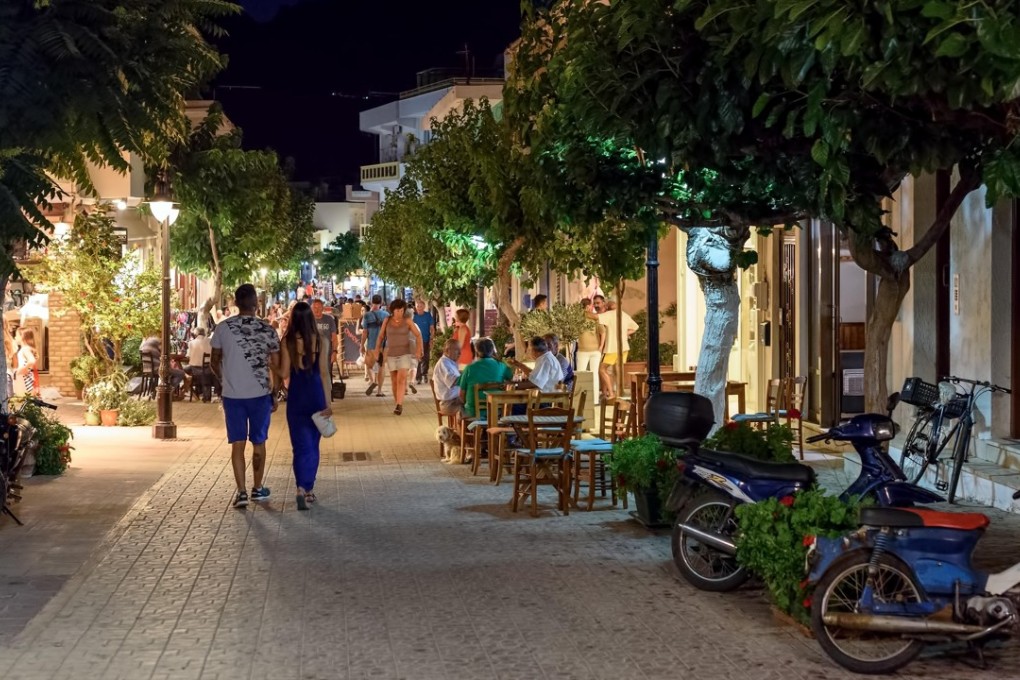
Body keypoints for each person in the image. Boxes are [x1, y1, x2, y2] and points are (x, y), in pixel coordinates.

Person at [211, 283, 281, 509]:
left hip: (232, 396)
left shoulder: (223, 328)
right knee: (259, 442)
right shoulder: (267, 329)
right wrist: (276, 390)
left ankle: (241, 492)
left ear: (236, 304)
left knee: (237, 444)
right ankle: (257, 488)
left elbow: (214, 361)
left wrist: (225, 381)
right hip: (260, 394)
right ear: (256, 304)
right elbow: (276, 364)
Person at [278, 301, 332, 511]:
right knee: (313, 445)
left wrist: (272, 364)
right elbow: (325, 373)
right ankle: (308, 488)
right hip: (316, 394)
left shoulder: (287, 341)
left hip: (297, 396)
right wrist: (328, 402)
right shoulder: (321, 341)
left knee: (299, 446)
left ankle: (300, 488)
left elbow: (284, 374)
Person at [375, 299, 423, 415]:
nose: (400, 313)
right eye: (397, 310)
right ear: (392, 310)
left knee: (401, 379)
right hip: (392, 354)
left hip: (405, 354)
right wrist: (377, 350)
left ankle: (399, 404)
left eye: (402, 310)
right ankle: (397, 402)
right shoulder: (387, 321)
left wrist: (418, 350)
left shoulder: (408, 321)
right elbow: (381, 336)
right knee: (394, 380)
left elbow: (418, 335)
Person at [591, 294, 638, 400]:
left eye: (607, 303)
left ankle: (611, 394)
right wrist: (624, 334)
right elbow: (635, 327)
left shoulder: (609, 314)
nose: (607, 305)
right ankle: (614, 393)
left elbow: (594, 317)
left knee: (602, 370)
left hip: (611, 348)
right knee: (615, 371)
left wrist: (582, 311)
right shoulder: (623, 314)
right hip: (623, 347)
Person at [457, 337, 513, 418]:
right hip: (496, 410)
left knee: (458, 409)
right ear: (492, 350)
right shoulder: (502, 366)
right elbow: (512, 379)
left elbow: (462, 395)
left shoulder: (470, 368)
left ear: (476, 351)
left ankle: (465, 429)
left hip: (473, 411)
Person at [576, 298, 605, 402]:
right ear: (588, 306)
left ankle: (581, 400)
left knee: (580, 375)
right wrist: (600, 347)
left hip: (585, 350)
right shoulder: (593, 318)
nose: (592, 307)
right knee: (593, 375)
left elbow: (602, 332)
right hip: (592, 349)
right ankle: (594, 400)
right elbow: (603, 332)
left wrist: (600, 347)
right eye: (591, 305)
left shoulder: (578, 318)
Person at [361, 294, 390, 397]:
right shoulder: (386, 315)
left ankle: (373, 380)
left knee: (369, 365)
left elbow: (365, 332)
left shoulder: (367, 315)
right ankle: (380, 391)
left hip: (372, 344)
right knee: (382, 367)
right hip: (383, 345)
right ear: (381, 303)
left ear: (371, 302)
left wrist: (361, 346)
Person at [432, 338, 463, 415]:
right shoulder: (444, 363)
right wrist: (467, 376)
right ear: (447, 351)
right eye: (456, 350)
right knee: (473, 408)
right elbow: (453, 381)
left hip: (455, 400)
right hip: (449, 403)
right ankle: (469, 426)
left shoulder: (449, 362)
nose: (460, 353)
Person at [311, 298, 339, 381]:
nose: (317, 310)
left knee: (326, 376)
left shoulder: (329, 319)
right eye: (314, 308)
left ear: (322, 308)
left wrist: (334, 351)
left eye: (319, 308)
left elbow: (334, 337)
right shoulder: (307, 320)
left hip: (327, 353)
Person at [185, 328, 214, 401]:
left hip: (195, 370)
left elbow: (188, 356)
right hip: (208, 369)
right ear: (204, 333)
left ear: (195, 334)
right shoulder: (210, 341)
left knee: (181, 371)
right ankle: (202, 393)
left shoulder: (191, 343)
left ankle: (189, 390)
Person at [411, 300, 436, 385]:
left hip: (425, 340)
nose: (419, 308)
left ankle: (424, 373)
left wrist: (432, 338)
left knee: (426, 358)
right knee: (417, 358)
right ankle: (418, 377)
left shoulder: (428, 316)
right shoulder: (414, 317)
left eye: (421, 306)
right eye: (417, 306)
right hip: (416, 341)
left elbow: (432, 328)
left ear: (424, 307)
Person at [15, 328, 39, 396]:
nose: (15, 337)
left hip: (25, 378)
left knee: (25, 399)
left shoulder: (25, 348)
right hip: (27, 377)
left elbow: (32, 361)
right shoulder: (27, 348)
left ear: (22, 337)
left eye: (17, 335)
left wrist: (24, 368)